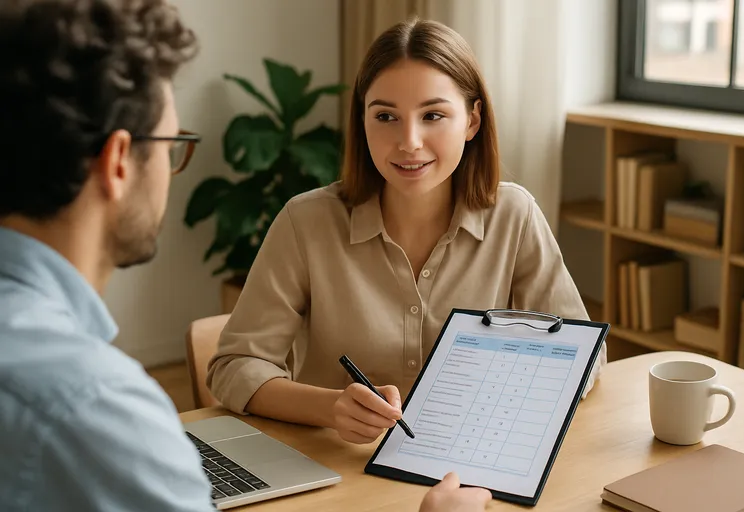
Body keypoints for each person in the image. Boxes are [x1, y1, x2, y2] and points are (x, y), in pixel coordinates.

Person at [0, 1, 489, 510]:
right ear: (120, 161)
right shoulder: (98, 407)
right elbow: (234, 367)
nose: (409, 141)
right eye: (172, 145)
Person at [208, 16, 607, 448]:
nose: (409, 141)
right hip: (337, 468)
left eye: (433, 114)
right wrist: (331, 407)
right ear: (363, 120)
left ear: (472, 121)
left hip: (472, 462)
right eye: (385, 116)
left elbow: (583, 358)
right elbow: (235, 366)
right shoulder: (305, 223)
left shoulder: (515, 215)